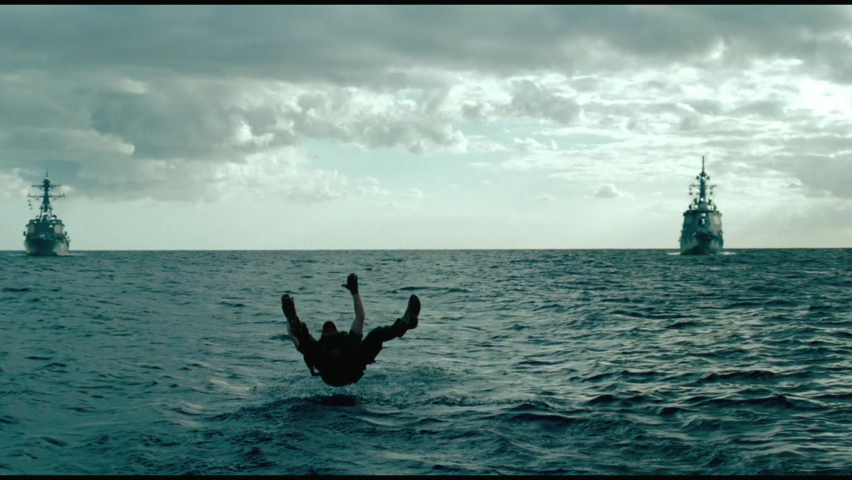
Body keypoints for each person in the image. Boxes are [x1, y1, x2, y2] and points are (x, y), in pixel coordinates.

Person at [281, 273, 420, 387]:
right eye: (327, 329)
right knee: (308, 344)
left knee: (376, 334)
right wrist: (291, 319)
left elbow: (360, 318)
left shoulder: (346, 342)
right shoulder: (320, 348)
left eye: (331, 329)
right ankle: (294, 322)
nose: (329, 330)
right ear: (323, 335)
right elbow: (298, 340)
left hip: (350, 368)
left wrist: (355, 292)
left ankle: (404, 324)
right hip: (333, 372)